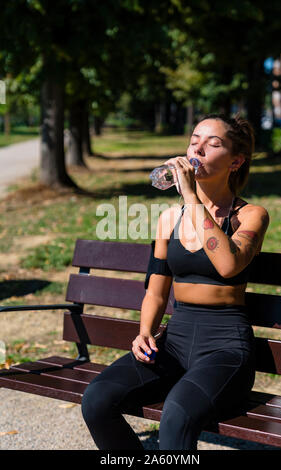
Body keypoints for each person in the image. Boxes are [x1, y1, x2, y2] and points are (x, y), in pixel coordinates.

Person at [81, 113, 270, 450]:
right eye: (194, 141)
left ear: (236, 161)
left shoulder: (251, 215)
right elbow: (156, 291)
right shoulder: (170, 219)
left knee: (177, 415)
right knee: (97, 400)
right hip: (175, 340)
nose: (197, 150)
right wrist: (143, 333)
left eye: (212, 144)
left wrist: (191, 199)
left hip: (225, 347)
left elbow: (228, 265)